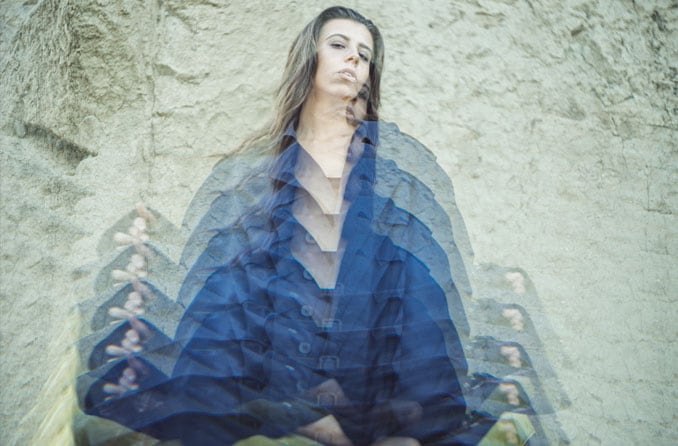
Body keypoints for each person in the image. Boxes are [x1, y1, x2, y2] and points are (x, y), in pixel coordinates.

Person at [78, 6, 503, 445]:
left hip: (373, 391)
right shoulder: (256, 186)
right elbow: (213, 340)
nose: (353, 58)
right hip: (271, 392)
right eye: (338, 45)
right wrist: (293, 416)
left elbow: (424, 348)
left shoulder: (393, 180)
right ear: (309, 59)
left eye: (364, 54)